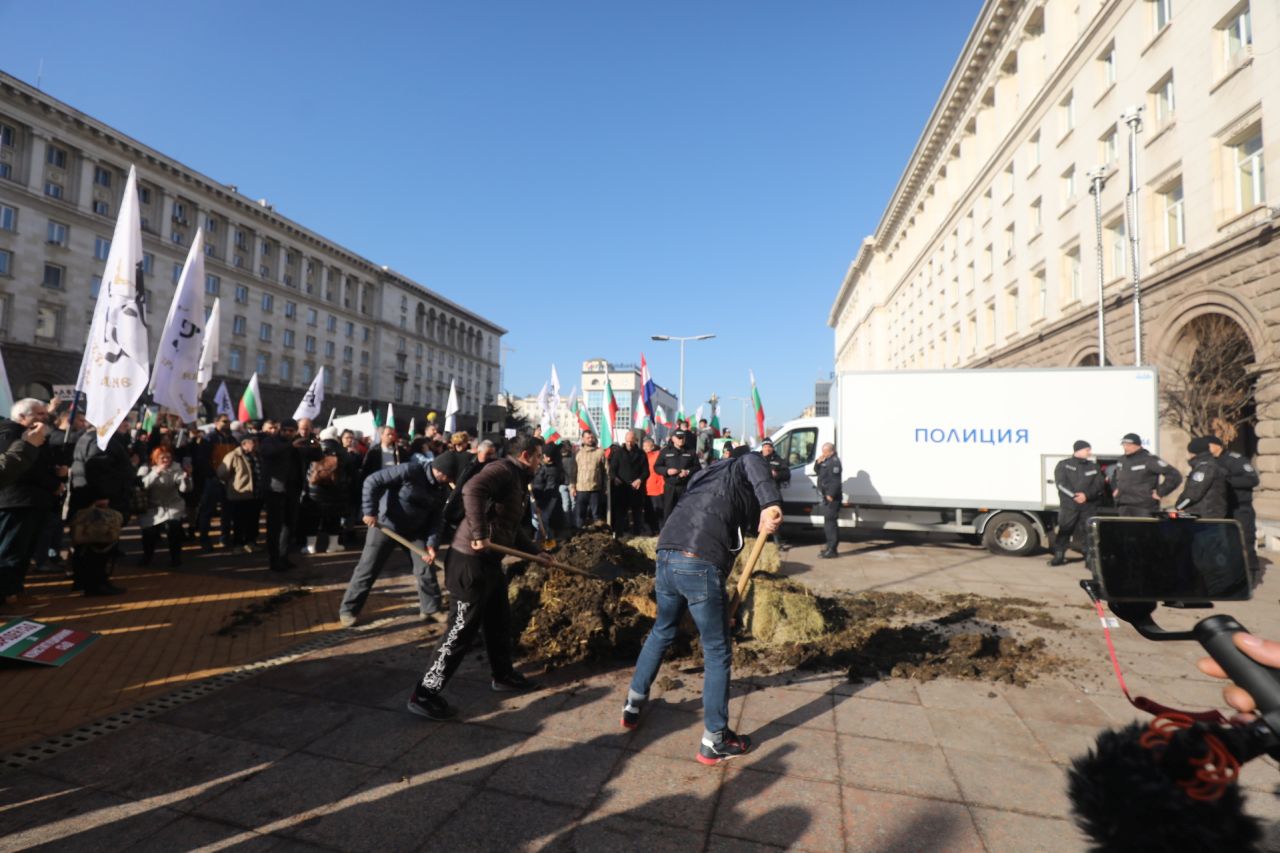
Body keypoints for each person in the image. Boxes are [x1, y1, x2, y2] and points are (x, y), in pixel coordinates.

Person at [622, 444, 783, 764]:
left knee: (662, 630)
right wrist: (770, 503)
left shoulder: (705, 475)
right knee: (717, 649)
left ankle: (632, 705)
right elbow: (752, 461)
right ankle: (715, 739)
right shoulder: (744, 463)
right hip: (698, 563)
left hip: (666, 555)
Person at [408, 434, 551, 720]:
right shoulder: (501, 470)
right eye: (538, 455)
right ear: (525, 455)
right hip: (468, 563)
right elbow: (472, 489)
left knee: (499, 620)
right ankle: (424, 694)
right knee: (460, 630)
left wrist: (536, 552)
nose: (541, 460)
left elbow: (510, 526)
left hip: (489, 563)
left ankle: (503, 675)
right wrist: (479, 534)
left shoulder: (518, 478)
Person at [339, 451, 451, 627]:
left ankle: (431, 608)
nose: (449, 481)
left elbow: (437, 519)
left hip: (415, 531)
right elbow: (372, 481)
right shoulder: (410, 470)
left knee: (425, 569)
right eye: (449, 477)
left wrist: (431, 544)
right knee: (368, 569)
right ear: (440, 471)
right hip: (386, 526)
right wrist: (370, 511)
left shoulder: (441, 489)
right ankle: (348, 610)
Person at [0, 401, 58, 615]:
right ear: (22, 417)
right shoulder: (9, 434)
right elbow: (17, 470)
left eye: (45, 413)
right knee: (11, 552)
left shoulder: (29, 433)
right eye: (39, 414)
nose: (44, 417)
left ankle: (16, 591)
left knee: (23, 552)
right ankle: (6, 599)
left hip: (32, 501)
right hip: (15, 502)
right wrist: (52, 483)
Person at [259, 418, 319, 572]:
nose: (287, 433)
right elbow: (268, 453)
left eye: (291, 431)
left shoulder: (299, 443)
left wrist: (314, 442)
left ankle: (284, 557)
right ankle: (274, 560)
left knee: (289, 525)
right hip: (275, 490)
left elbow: (317, 456)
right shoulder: (271, 441)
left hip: (293, 489)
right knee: (274, 526)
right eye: (284, 430)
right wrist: (289, 445)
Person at [1208, 437, 1262, 568]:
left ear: (1217, 446)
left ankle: (1250, 576)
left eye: (1208, 445)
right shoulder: (1210, 462)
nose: (1206, 448)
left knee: (1244, 543)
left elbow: (1252, 480)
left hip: (1240, 509)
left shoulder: (1235, 459)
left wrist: (1226, 481)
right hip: (1221, 509)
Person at [1049, 440, 1104, 566]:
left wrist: (1087, 496)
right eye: (1087, 450)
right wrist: (1074, 496)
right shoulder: (1064, 465)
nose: (1090, 452)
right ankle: (1059, 556)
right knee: (1065, 531)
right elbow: (1061, 484)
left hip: (1088, 506)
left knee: (1088, 533)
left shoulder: (1093, 466)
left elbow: (1099, 485)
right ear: (1078, 450)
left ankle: (1089, 559)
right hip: (1070, 506)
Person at [137, 447, 192, 568]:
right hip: (152, 506)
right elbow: (143, 485)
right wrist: (156, 472)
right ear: (156, 459)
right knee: (149, 533)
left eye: (169, 457)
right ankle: (147, 556)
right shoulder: (146, 468)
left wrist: (186, 478)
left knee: (173, 528)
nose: (166, 460)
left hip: (172, 504)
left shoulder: (176, 468)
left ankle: (176, 558)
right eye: (163, 458)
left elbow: (184, 489)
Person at [1109, 433, 1183, 517]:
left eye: (1129, 445)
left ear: (1138, 445)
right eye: (1124, 445)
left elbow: (1174, 475)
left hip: (1143, 506)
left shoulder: (1149, 459)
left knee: (1143, 530)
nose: (1126, 447)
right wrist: (1115, 489)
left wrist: (1160, 492)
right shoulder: (1122, 460)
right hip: (1123, 505)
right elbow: (1115, 476)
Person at [195, 414, 239, 551]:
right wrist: (213, 475)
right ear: (216, 423)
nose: (227, 424)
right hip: (213, 480)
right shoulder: (209, 439)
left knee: (228, 511)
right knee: (208, 510)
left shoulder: (232, 439)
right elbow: (202, 459)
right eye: (224, 421)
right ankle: (204, 539)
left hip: (229, 480)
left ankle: (225, 537)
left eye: (229, 422)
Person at [304, 427, 348, 554]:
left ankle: (311, 546)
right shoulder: (341, 451)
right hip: (336, 490)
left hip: (315, 489)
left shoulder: (314, 447)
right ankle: (332, 545)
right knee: (334, 518)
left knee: (313, 518)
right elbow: (350, 466)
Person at [217, 434, 263, 550]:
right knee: (239, 521)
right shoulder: (233, 455)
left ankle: (251, 542)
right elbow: (222, 473)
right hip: (240, 494)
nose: (256, 444)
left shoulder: (258, 455)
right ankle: (238, 544)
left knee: (253, 520)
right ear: (244, 444)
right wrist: (233, 484)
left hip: (256, 493)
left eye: (257, 442)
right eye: (253, 442)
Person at [1176, 437, 1229, 519]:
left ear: (1192, 452)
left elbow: (1193, 493)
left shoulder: (1205, 467)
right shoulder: (1208, 464)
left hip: (1205, 515)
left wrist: (1179, 506)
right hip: (1207, 513)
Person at [655, 430, 699, 525]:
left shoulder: (691, 451)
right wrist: (667, 471)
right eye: (679, 438)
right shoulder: (665, 451)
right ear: (673, 438)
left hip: (685, 486)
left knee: (684, 510)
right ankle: (667, 532)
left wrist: (688, 471)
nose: (681, 440)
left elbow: (697, 467)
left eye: (683, 437)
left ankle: (682, 532)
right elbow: (657, 467)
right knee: (668, 511)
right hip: (670, 486)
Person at [610, 430, 648, 535]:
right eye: (627, 441)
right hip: (622, 488)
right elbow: (612, 469)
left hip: (636, 489)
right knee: (620, 515)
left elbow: (646, 471)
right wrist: (615, 478)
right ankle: (619, 535)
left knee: (637, 515)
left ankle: (637, 534)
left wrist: (640, 479)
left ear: (635, 441)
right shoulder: (618, 453)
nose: (629, 443)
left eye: (631, 441)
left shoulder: (641, 454)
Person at [572, 431, 608, 526]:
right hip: (581, 489)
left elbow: (606, 471)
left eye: (591, 437)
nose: (590, 439)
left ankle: (599, 536)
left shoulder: (600, 452)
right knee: (580, 515)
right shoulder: (578, 453)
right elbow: (573, 471)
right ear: (583, 439)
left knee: (596, 515)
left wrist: (606, 487)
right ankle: (579, 534)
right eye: (588, 438)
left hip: (595, 489)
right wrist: (572, 487)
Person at [531, 442, 565, 541]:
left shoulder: (552, 471)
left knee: (542, 521)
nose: (541, 457)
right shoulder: (544, 467)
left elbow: (550, 489)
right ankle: (543, 539)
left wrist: (541, 504)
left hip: (546, 500)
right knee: (538, 522)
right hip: (538, 496)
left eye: (543, 455)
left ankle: (546, 540)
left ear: (549, 458)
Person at [815, 442, 842, 558]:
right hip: (826, 496)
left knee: (831, 524)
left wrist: (830, 494)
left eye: (824, 451)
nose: (823, 453)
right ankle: (829, 547)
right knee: (827, 523)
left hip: (832, 498)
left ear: (831, 451)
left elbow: (835, 481)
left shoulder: (834, 462)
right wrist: (818, 462)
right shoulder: (826, 460)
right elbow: (817, 471)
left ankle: (832, 550)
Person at [642, 437, 665, 532]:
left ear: (652, 447)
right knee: (648, 511)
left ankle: (660, 530)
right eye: (644, 446)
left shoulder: (658, 455)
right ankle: (651, 530)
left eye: (647, 446)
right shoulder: (642, 456)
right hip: (645, 488)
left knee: (658, 511)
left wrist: (661, 486)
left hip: (657, 488)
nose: (645, 448)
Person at [559, 439, 577, 529]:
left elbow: (574, 471)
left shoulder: (574, 457)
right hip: (563, 484)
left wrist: (573, 483)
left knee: (573, 504)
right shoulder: (558, 458)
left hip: (571, 484)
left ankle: (573, 524)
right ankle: (568, 525)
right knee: (566, 505)